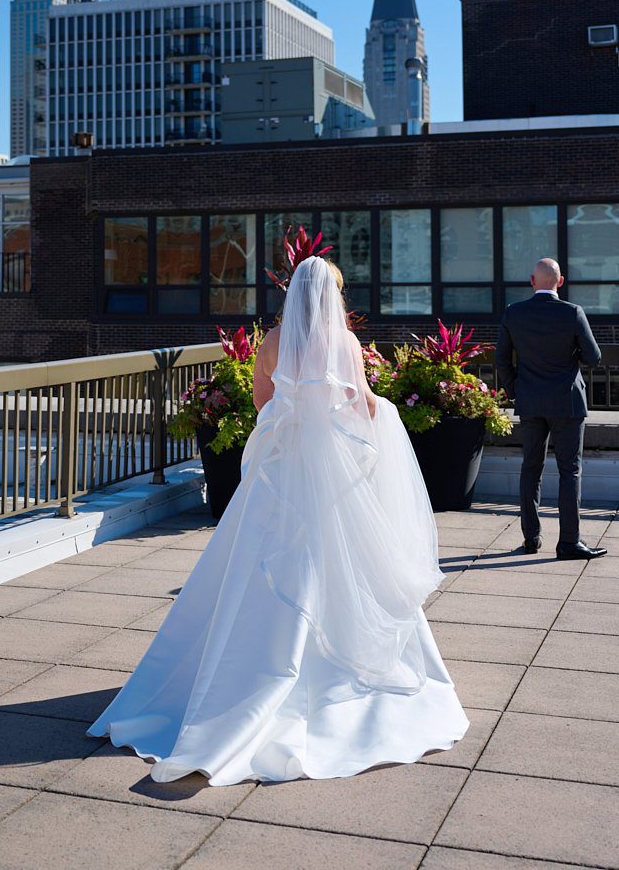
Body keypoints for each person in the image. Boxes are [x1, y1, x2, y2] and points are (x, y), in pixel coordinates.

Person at [87, 255, 469, 785]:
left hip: (281, 472)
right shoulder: (346, 345)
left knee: (253, 564)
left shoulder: (271, 342)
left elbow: (263, 403)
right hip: (332, 476)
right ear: (331, 296)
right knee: (343, 561)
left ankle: (238, 670)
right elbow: (358, 406)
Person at [496, 257, 606, 559]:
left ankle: (531, 539)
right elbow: (593, 358)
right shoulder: (572, 313)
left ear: (532, 281)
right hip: (567, 402)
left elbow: (502, 360)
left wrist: (515, 391)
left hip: (530, 402)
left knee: (530, 469)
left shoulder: (513, 313)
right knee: (569, 470)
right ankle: (569, 543)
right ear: (561, 281)